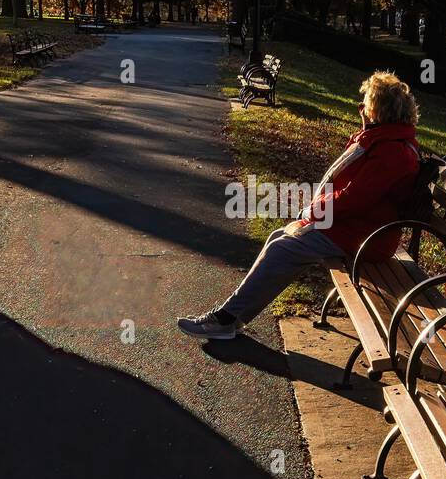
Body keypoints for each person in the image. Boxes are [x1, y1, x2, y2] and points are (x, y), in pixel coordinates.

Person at [178, 71, 421, 341]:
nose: (360, 108)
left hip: (367, 238)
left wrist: (312, 212)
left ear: (379, 110)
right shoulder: (384, 140)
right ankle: (230, 318)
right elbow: (352, 195)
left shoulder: (392, 151)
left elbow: (354, 198)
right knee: (278, 237)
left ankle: (224, 320)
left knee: (283, 248)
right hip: (356, 227)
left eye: (365, 103)